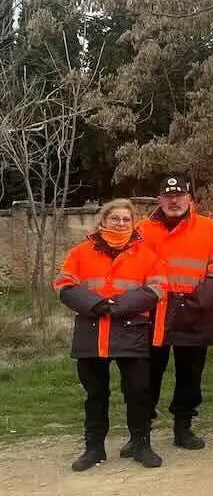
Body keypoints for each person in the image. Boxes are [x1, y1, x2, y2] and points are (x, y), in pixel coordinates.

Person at [54, 199, 168, 471]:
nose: (120, 223)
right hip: (92, 332)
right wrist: (96, 305)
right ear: (103, 221)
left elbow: (158, 288)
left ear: (133, 222)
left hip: (131, 332)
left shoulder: (146, 254)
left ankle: (141, 444)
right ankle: (94, 449)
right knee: (95, 394)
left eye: (126, 219)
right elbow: (64, 284)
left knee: (138, 392)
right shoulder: (81, 252)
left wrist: (119, 306)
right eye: (115, 218)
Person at [135, 174, 213, 453]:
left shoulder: (210, 228)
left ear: (190, 199)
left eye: (180, 196)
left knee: (189, 376)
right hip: (152, 313)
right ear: (159, 200)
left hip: (194, 312)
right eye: (169, 196)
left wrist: (195, 301)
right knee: (145, 376)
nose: (174, 201)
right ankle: (140, 432)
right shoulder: (141, 229)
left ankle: (183, 427)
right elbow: (132, 269)